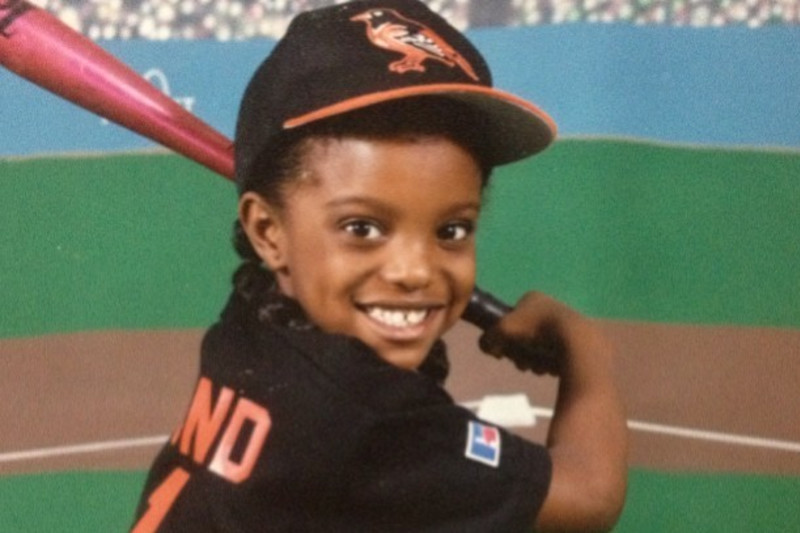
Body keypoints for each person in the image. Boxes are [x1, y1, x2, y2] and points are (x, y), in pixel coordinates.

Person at [131, 1, 627, 531]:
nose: (414, 270)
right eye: (362, 229)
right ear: (268, 232)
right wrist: (583, 345)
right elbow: (589, 498)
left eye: (450, 231)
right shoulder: (369, 418)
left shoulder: (255, 323)